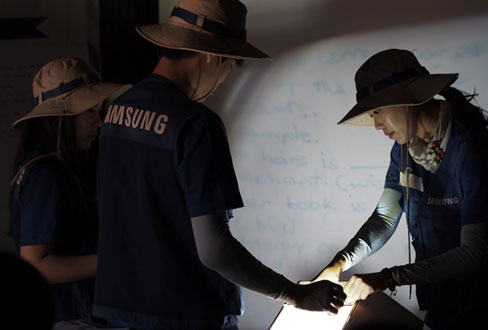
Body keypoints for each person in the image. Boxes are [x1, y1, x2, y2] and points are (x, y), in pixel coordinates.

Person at [92, 0, 345, 329]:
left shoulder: (115, 113)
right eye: (231, 65)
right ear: (211, 55)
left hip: (120, 311)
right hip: (184, 314)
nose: (224, 79)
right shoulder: (196, 123)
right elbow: (214, 250)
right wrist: (295, 294)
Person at [315, 49, 488, 329]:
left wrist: (388, 278)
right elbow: (385, 217)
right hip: (442, 306)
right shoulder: (404, 152)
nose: (375, 124)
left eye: (377, 111)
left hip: (487, 307)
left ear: (406, 100)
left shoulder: (474, 152)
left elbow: (473, 253)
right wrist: (339, 264)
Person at [9, 58, 123, 322]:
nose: (100, 122)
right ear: (61, 117)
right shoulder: (46, 174)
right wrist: (113, 260)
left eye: (99, 110)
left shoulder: (57, 166)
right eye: (89, 112)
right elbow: (36, 263)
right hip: (66, 317)